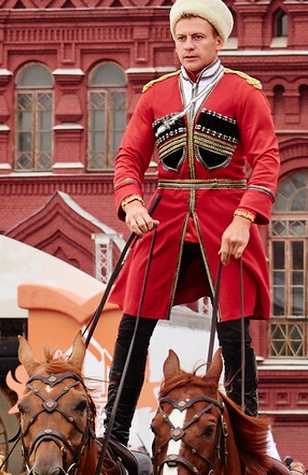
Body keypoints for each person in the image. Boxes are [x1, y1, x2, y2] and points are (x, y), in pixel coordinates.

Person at [104, 0, 280, 446]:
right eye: (181, 38)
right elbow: (128, 158)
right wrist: (131, 202)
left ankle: (246, 440)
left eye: (198, 37)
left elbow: (266, 159)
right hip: (162, 218)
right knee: (132, 326)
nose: (188, 45)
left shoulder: (244, 92)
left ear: (219, 40)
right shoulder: (155, 94)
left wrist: (245, 218)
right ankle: (114, 437)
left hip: (226, 215)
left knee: (234, 333)